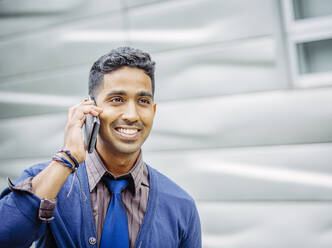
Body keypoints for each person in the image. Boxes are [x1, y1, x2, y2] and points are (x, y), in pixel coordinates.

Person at [0, 47, 202, 248]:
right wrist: (66, 159)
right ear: (90, 109)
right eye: (117, 100)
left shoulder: (181, 205)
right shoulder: (46, 181)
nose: (131, 115)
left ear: (153, 110)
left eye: (143, 101)